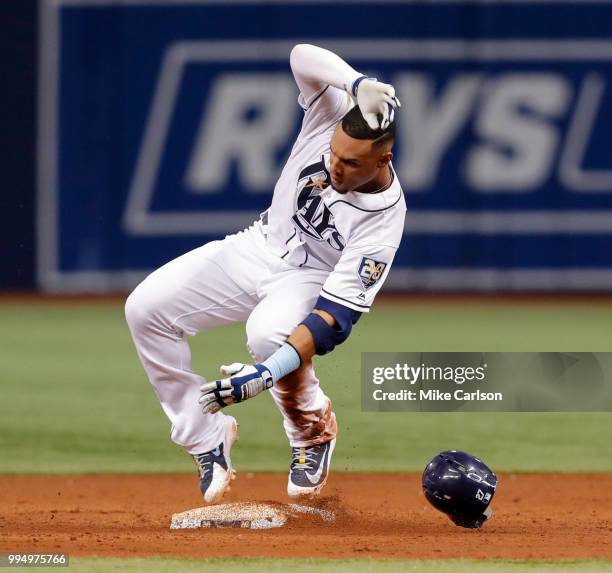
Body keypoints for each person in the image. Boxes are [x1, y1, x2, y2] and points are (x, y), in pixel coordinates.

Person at [125, 43, 405, 504]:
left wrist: (264, 373)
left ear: (383, 161)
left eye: (351, 162)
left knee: (269, 335)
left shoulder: (384, 221)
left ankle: (312, 431)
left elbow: (332, 320)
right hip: (256, 245)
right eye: (335, 153)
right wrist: (358, 83)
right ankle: (205, 437)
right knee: (145, 309)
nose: (335, 165)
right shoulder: (329, 115)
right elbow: (301, 56)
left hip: (310, 277)